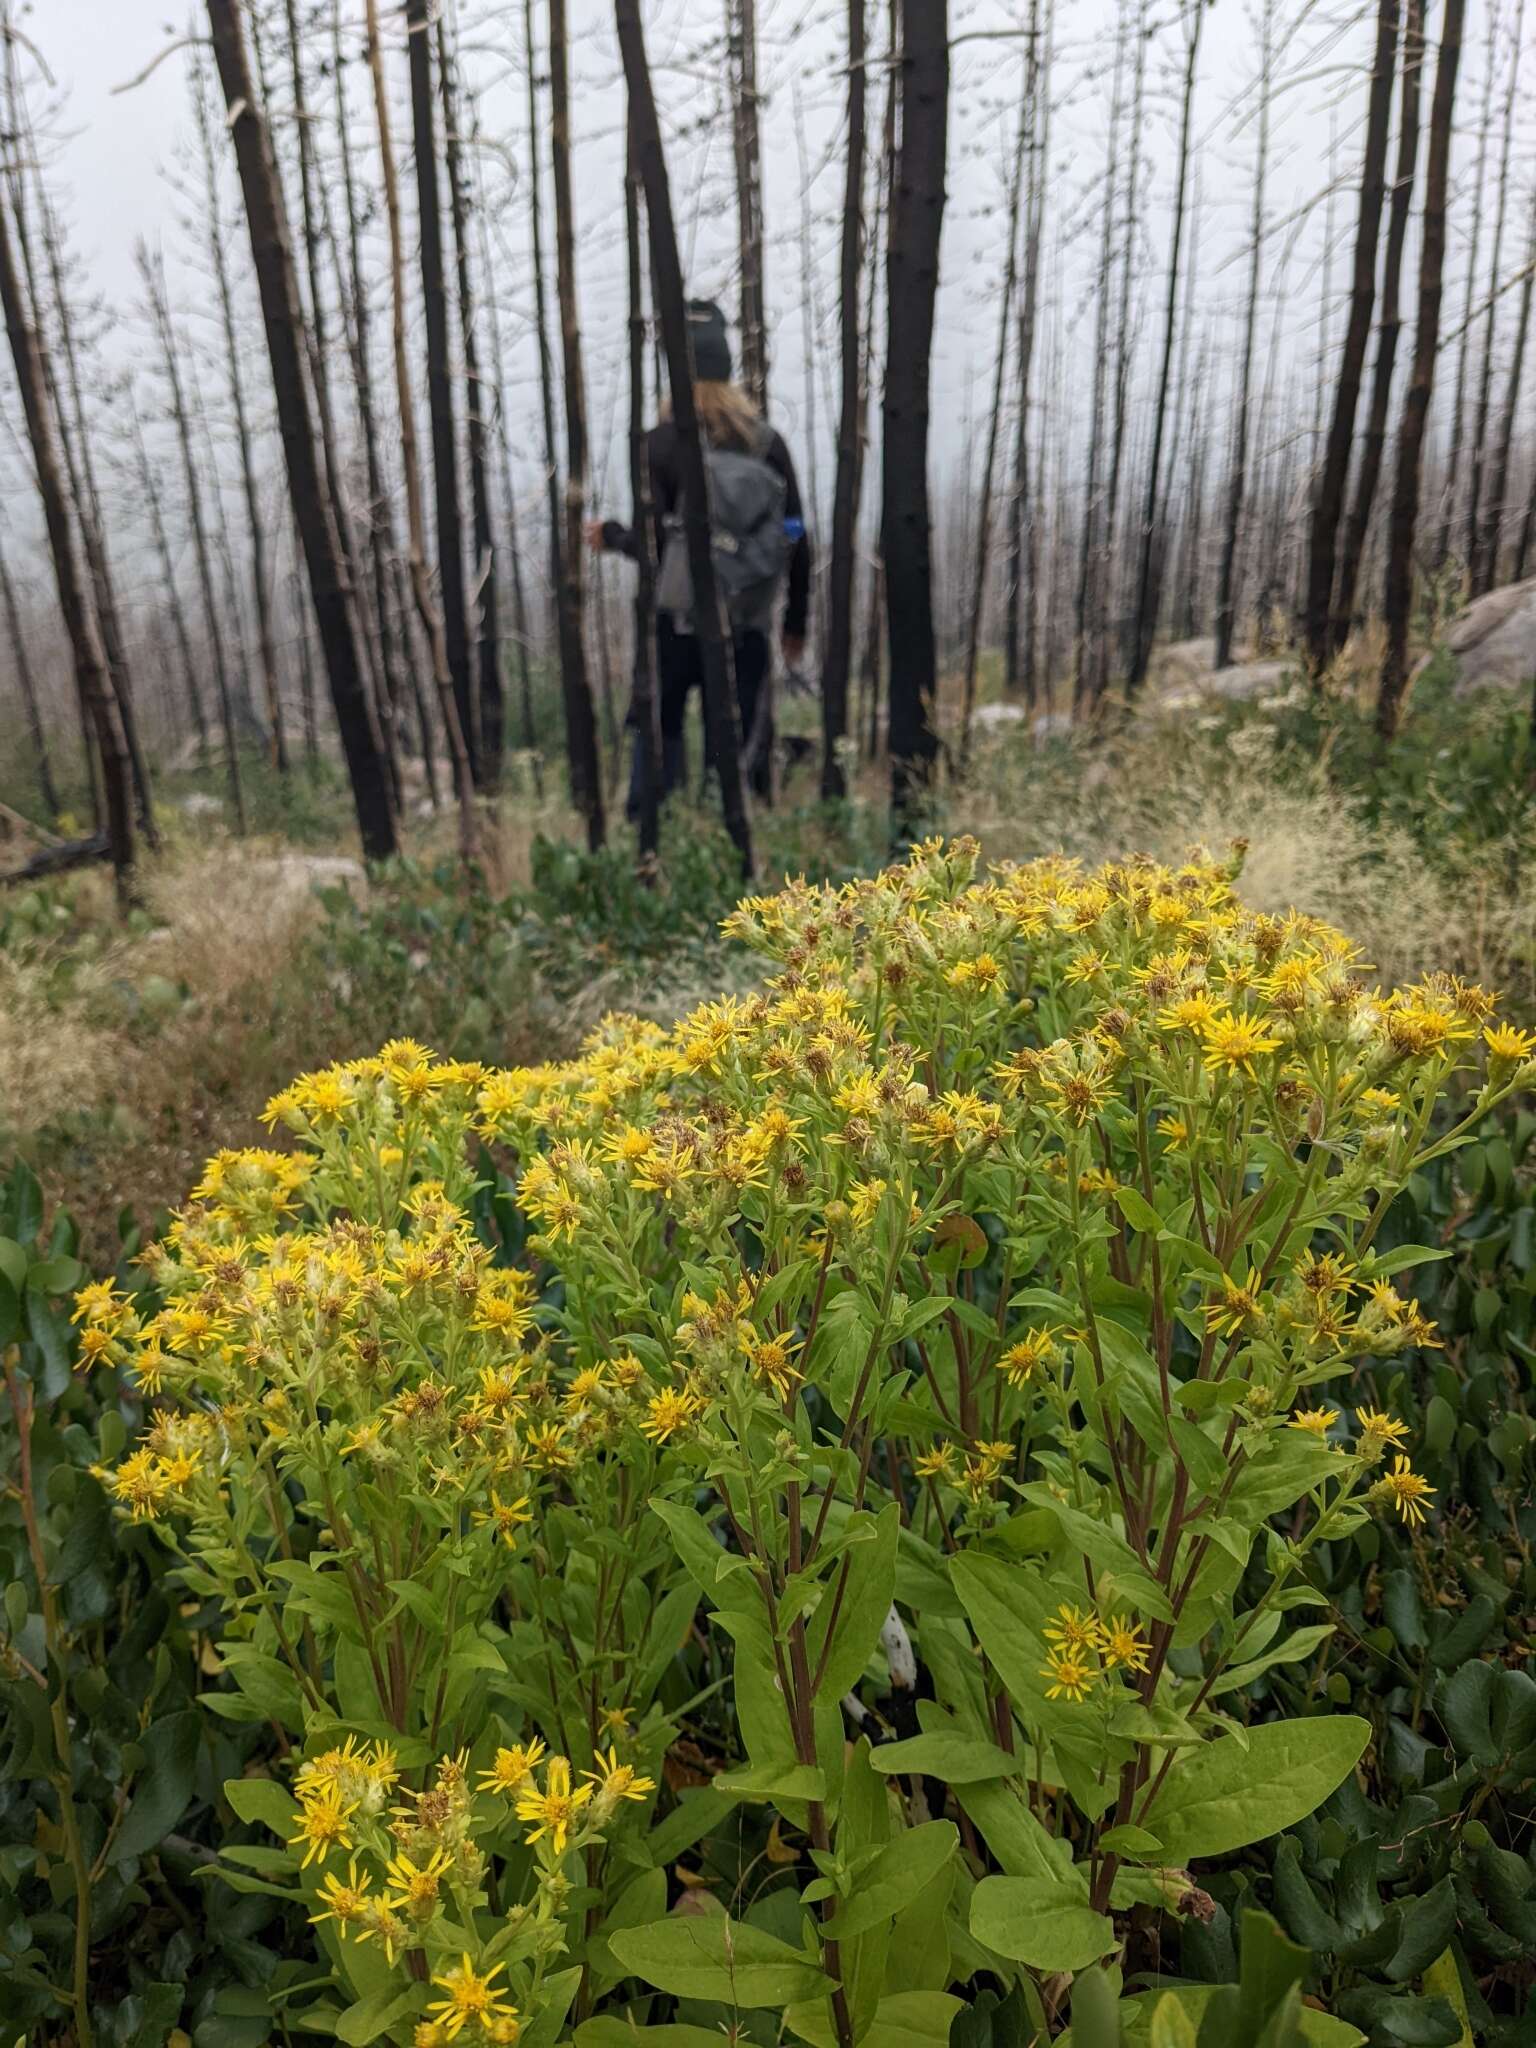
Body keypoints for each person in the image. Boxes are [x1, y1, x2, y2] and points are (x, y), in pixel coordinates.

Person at [586, 299, 811, 805]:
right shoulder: (767, 444)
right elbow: (795, 532)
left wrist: (614, 535)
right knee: (735, 746)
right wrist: (794, 621)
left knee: (659, 735)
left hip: (673, 622)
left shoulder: (661, 443)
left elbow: (656, 545)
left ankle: (653, 845)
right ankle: (741, 846)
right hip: (746, 620)